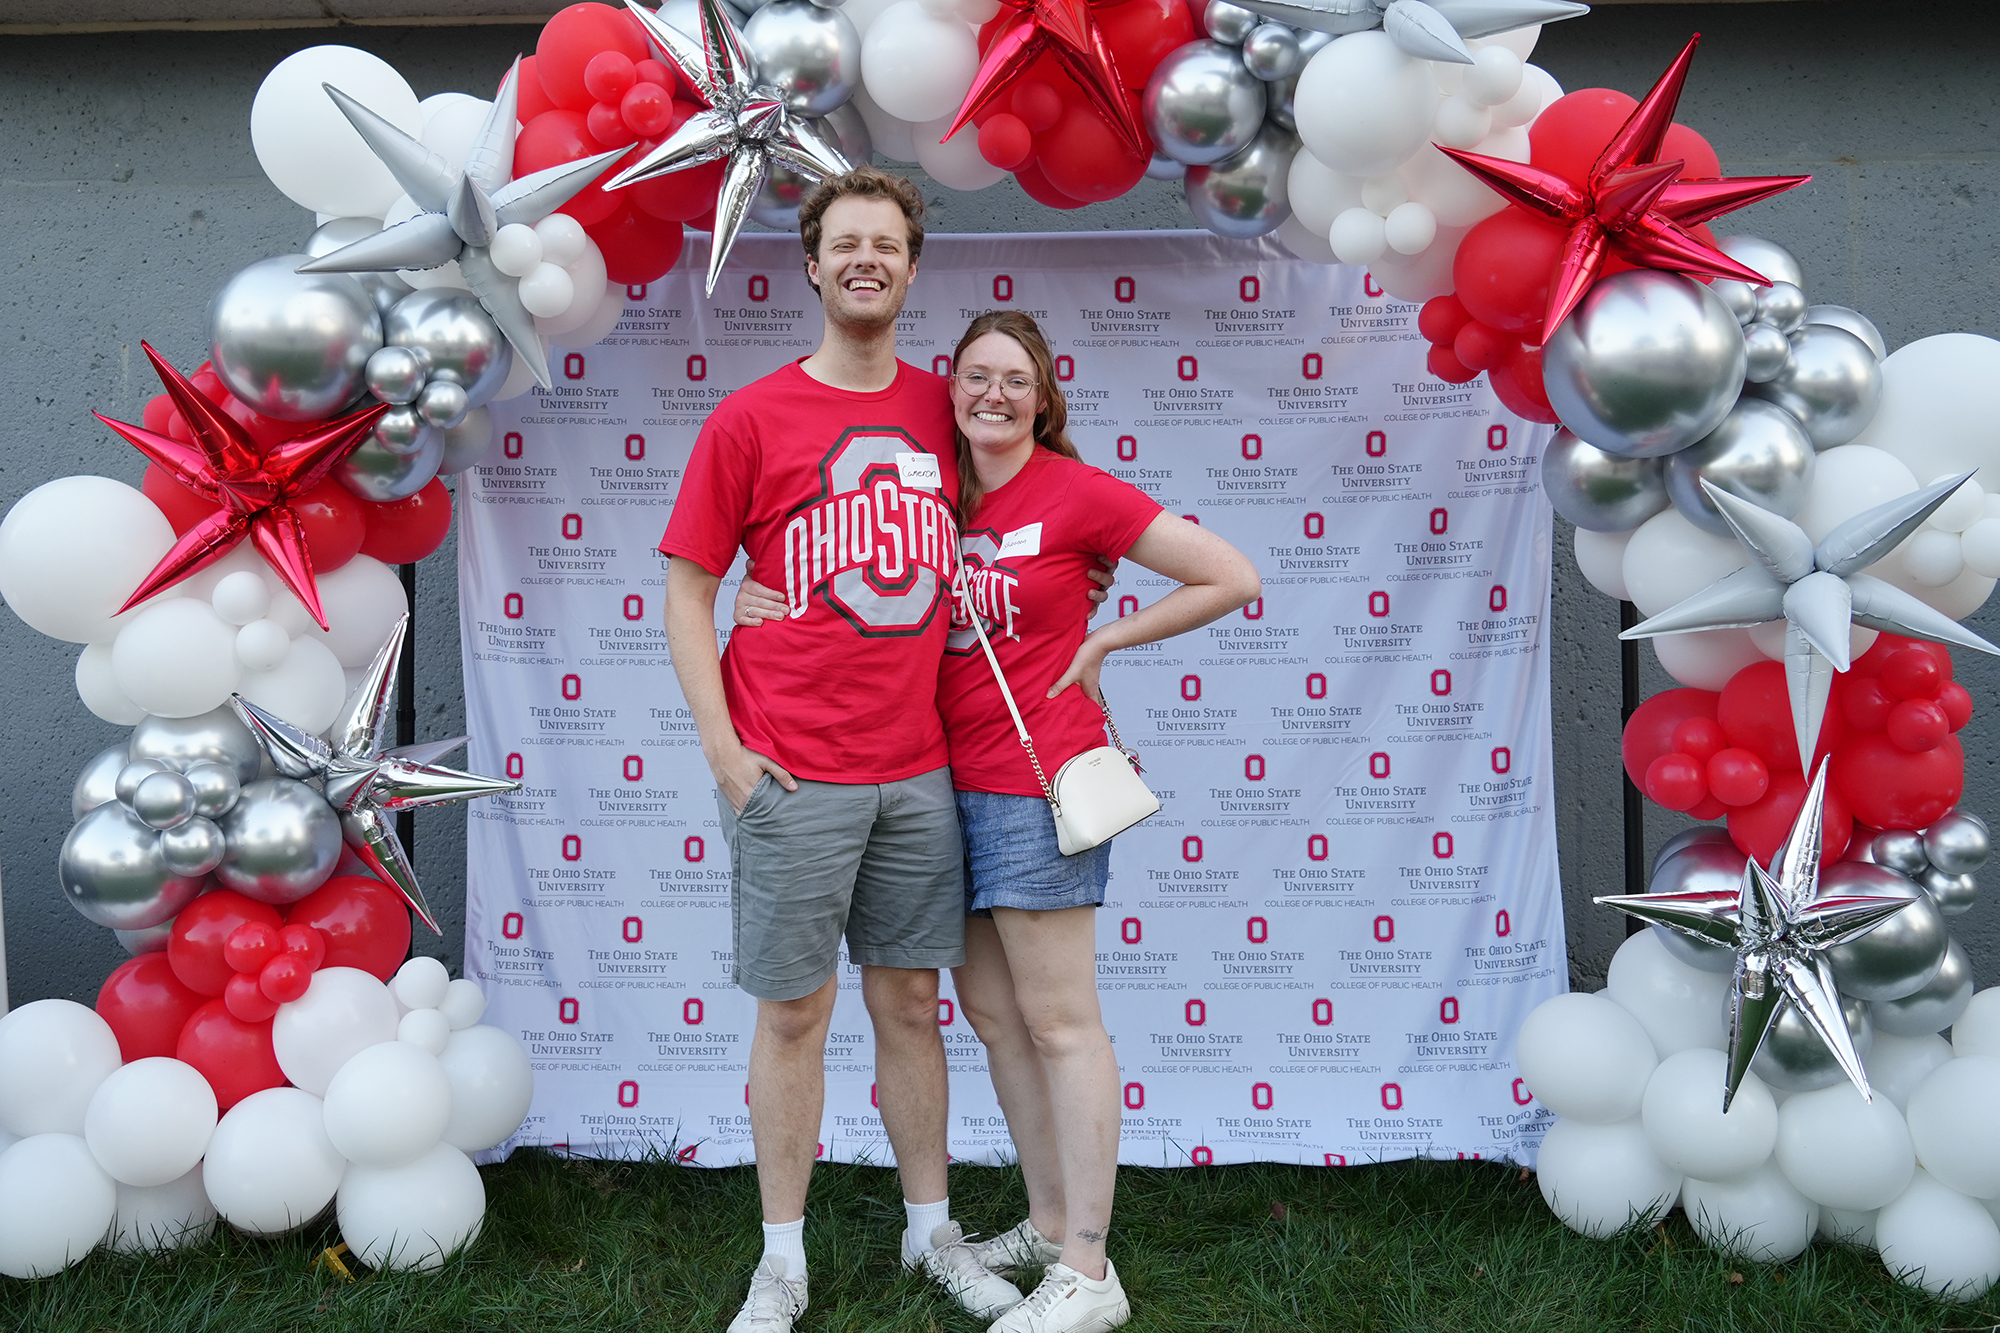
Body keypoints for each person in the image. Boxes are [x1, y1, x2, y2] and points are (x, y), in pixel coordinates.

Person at [735, 310, 1262, 1332]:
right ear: (950, 391)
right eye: (974, 376)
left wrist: (1108, 638)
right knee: (990, 1018)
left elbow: (1228, 575)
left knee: (1063, 1023)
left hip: (1035, 779)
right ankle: (1047, 1213)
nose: (991, 394)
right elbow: (849, 574)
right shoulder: (932, 493)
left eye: (1014, 381)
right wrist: (769, 594)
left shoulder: (1074, 492)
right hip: (940, 784)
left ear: (1043, 398)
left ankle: (1088, 1268)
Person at [660, 166, 1028, 1333]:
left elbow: (1030, 502)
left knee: (912, 1004)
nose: (865, 259)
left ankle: (931, 1231)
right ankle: (782, 1258)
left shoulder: (947, 406)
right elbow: (685, 588)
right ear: (811, 267)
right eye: (844, 244)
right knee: (792, 1015)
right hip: (789, 761)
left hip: (918, 763)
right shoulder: (751, 417)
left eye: (887, 243)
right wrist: (723, 750)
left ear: (913, 269)